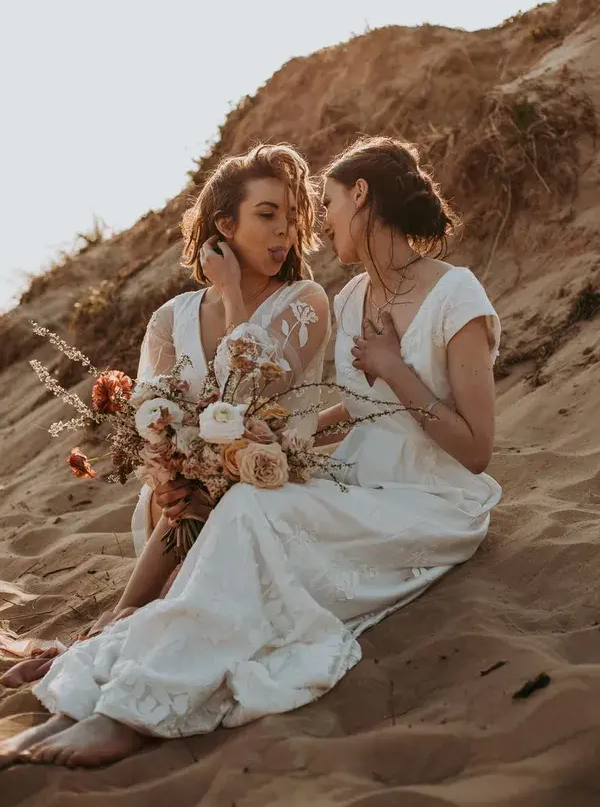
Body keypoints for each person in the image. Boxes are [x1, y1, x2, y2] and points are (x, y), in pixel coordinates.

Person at [0, 136, 501, 768]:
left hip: (431, 500)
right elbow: (365, 409)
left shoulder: (456, 294)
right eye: (285, 213)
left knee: (246, 514)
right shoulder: (351, 299)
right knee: (243, 511)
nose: (314, 225)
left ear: (362, 196)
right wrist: (276, 442)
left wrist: (394, 369)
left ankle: (136, 711)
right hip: (352, 485)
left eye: (326, 206)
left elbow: (477, 450)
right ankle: (102, 682)